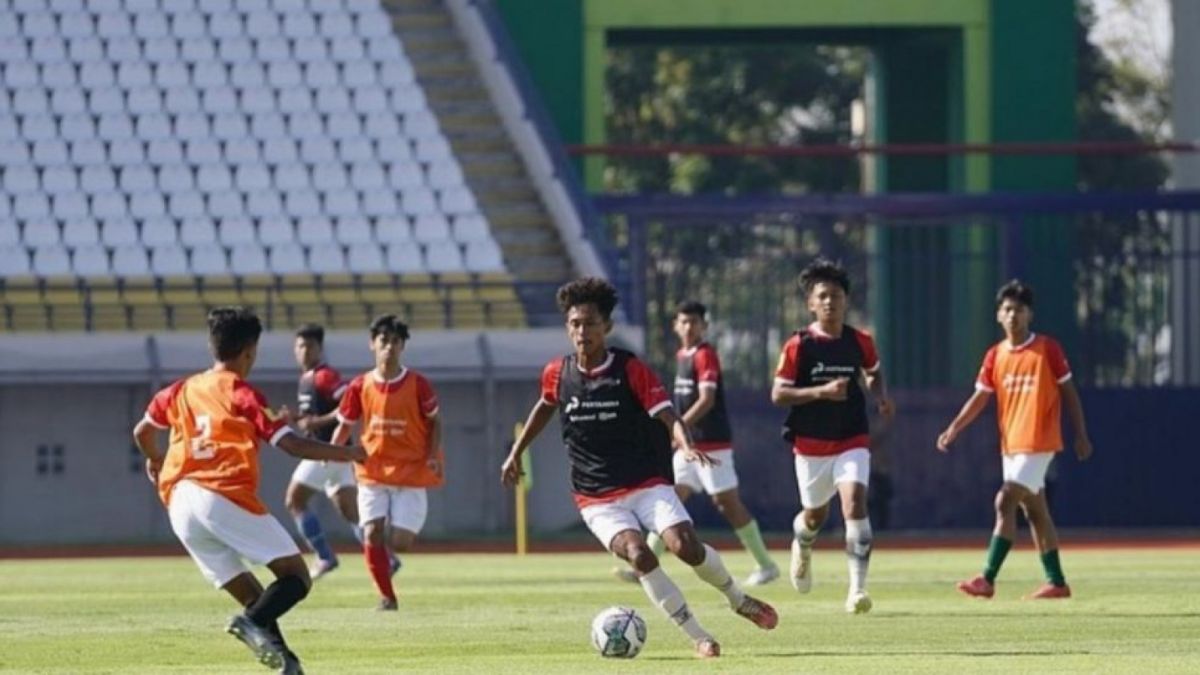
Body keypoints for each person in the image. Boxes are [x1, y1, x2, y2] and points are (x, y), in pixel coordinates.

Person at [501, 278, 778, 659]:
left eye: (590, 323)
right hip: (596, 498)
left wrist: (685, 441)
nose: (582, 331)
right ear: (568, 327)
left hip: (646, 483)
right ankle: (699, 636)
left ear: (607, 327)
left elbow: (668, 415)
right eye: (575, 324)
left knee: (685, 546)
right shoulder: (556, 373)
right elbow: (546, 405)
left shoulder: (629, 369)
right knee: (639, 554)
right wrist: (516, 451)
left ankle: (737, 598)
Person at [132, 307, 365, 674]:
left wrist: (155, 458)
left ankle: (288, 665)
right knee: (295, 577)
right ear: (249, 352)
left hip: (179, 503)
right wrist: (349, 452)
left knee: (257, 599)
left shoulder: (181, 389)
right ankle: (250, 624)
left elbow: (142, 432)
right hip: (219, 494)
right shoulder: (242, 393)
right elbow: (293, 446)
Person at [937, 279, 1094, 599]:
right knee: (1035, 511)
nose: (1013, 316)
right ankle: (1057, 582)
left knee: (1004, 499)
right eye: (1007, 310)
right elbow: (980, 398)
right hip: (1012, 444)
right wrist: (954, 427)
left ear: (1029, 315)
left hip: (1040, 441)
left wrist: (1080, 433)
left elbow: (1069, 392)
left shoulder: (1047, 349)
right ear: (998, 315)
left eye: (1019, 310)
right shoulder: (996, 355)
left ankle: (987, 578)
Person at [616, 300, 778, 586]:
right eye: (684, 321)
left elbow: (707, 400)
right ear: (675, 326)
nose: (689, 327)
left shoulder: (705, 355)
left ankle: (766, 565)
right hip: (688, 445)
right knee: (667, 498)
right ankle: (644, 566)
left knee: (726, 503)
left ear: (704, 325)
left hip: (711, 443)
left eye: (694, 322)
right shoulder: (682, 355)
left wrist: (678, 429)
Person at [770, 259, 895, 614]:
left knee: (855, 503)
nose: (830, 302)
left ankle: (857, 589)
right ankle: (802, 544)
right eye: (822, 296)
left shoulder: (860, 341)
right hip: (810, 445)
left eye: (836, 296)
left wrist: (880, 395)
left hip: (852, 437)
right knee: (814, 516)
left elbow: (873, 373)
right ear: (811, 303)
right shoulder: (799, 345)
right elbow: (778, 394)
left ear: (846, 301)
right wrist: (822, 391)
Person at [331, 315, 443, 611]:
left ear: (403, 346)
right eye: (383, 341)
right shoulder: (359, 385)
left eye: (395, 341)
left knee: (402, 542)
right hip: (373, 470)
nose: (389, 347)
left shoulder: (418, 384)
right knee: (371, 531)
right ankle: (386, 597)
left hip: (411, 470)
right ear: (373, 345)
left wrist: (432, 456)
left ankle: (389, 559)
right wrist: (331, 453)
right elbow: (345, 425)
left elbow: (435, 422)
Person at [281, 323, 359, 580]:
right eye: (300, 346)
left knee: (295, 500)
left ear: (319, 349)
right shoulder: (306, 379)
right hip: (336, 454)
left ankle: (324, 557)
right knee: (351, 511)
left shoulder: (324, 376)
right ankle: (386, 558)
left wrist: (317, 422)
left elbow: (349, 403)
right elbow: (313, 417)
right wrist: (296, 417)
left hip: (326, 451)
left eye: (310, 346)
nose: (304, 351)